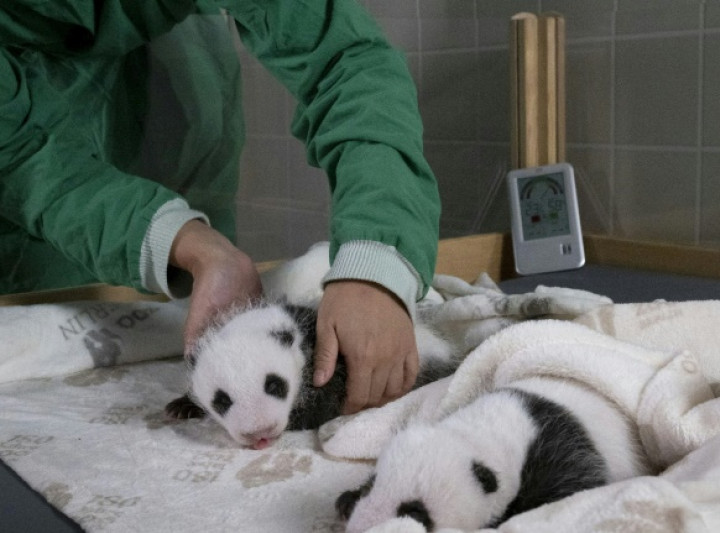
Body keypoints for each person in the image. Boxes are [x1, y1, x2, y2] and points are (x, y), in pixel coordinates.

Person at [0, 0, 440, 414]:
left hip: (171, 82)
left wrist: (378, 261)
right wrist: (185, 243)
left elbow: (341, 57)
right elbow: (24, 161)